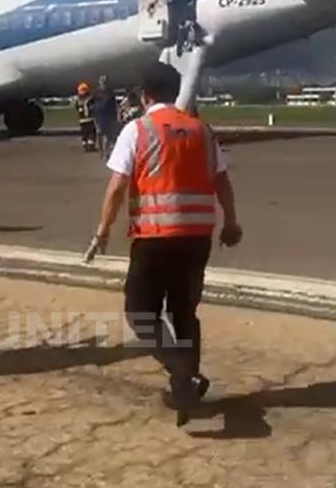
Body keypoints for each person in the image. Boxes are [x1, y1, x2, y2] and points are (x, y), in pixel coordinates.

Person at [84, 62, 243, 426]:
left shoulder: (138, 130)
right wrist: (231, 221)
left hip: (155, 237)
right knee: (184, 311)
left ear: (145, 96)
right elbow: (222, 180)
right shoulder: (201, 130)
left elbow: (118, 187)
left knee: (141, 312)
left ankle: (181, 371)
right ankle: (185, 380)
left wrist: (102, 232)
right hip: (197, 238)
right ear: (174, 92)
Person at [91, 76, 121, 158]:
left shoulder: (110, 93)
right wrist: (93, 113)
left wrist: (116, 115)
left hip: (109, 116)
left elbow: (114, 105)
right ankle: (101, 151)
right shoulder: (96, 93)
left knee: (108, 135)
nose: (104, 83)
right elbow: (91, 103)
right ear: (100, 82)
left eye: (105, 82)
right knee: (99, 133)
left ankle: (107, 151)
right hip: (99, 116)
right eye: (102, 82)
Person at [75, 82, 96, 152]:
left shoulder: (78, 101)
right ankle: (90, 145)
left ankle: (85, 145)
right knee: (91, 133)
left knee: (84, 134)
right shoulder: (89, 100)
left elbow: (77, 108)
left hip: (82, 120)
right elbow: (93, 107)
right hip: (89, 119)